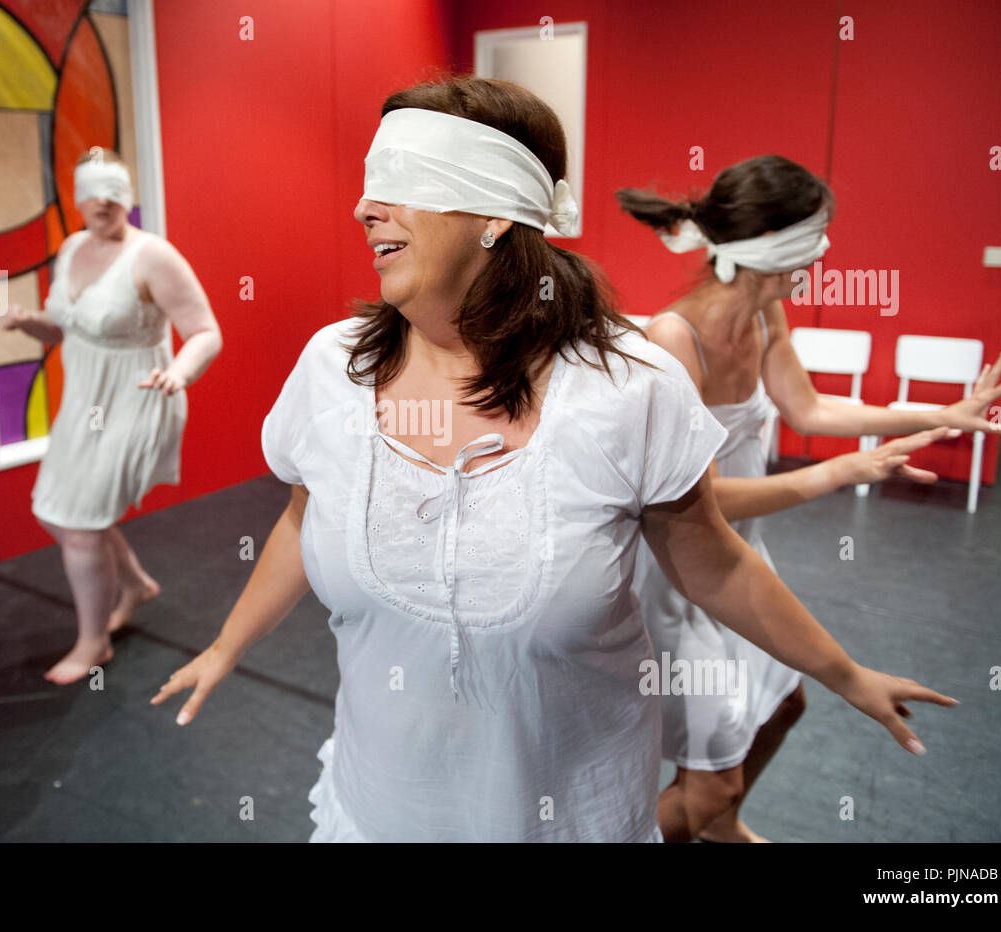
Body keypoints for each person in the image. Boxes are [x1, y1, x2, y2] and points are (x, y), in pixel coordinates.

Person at [152, 77, 955, 842]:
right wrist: (227, 645)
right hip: (385, 806)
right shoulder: (333, 368)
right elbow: (304, 517)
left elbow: (718, 566)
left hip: (569, 814)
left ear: (495, 215)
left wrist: (847, 675)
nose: (364, 206)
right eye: (370, 180)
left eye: (401, 179)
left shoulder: (627, 389)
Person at [617, 155, 1001, 842]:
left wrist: (940, 416)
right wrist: (832, 476)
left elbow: (808, 409)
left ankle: (723, 826)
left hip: (747, 554)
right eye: (815, 237)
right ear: (771, 246)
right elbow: (692, 504)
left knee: (783, 706)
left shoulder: (765, 312)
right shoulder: (672, 340)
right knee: (708, 782)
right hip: (683, 575)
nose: (826, 252)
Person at [1, 147, 222, 684]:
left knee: (79, 527)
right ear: (77, 198)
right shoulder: (73, 248)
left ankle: (93, 642)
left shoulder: (154, 257)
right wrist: (31, 322)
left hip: (140, 397)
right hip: (84, 402)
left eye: (112, 190)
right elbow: (66, 328)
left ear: (127, 193)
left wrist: (181, 373)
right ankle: (136, 585)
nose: (102, 201)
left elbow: (205, 331)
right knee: (59, 513)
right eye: (90, 191)